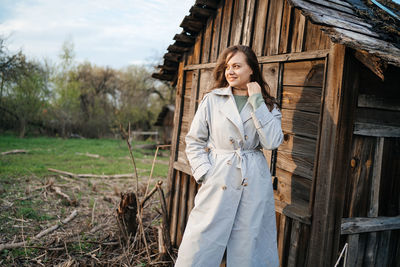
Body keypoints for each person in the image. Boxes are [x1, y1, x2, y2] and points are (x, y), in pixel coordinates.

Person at [175, 45, 283, 267]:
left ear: (251, 69)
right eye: (227, 67)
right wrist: (205, 173)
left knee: (250, 245)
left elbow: (272, 142)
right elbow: (194, 140)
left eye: (236, 66)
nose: (230, 72)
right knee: (201, 241)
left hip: (253, 179)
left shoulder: (267, 104)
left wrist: (257, 102)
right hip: (219, 175)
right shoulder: (213, 100)